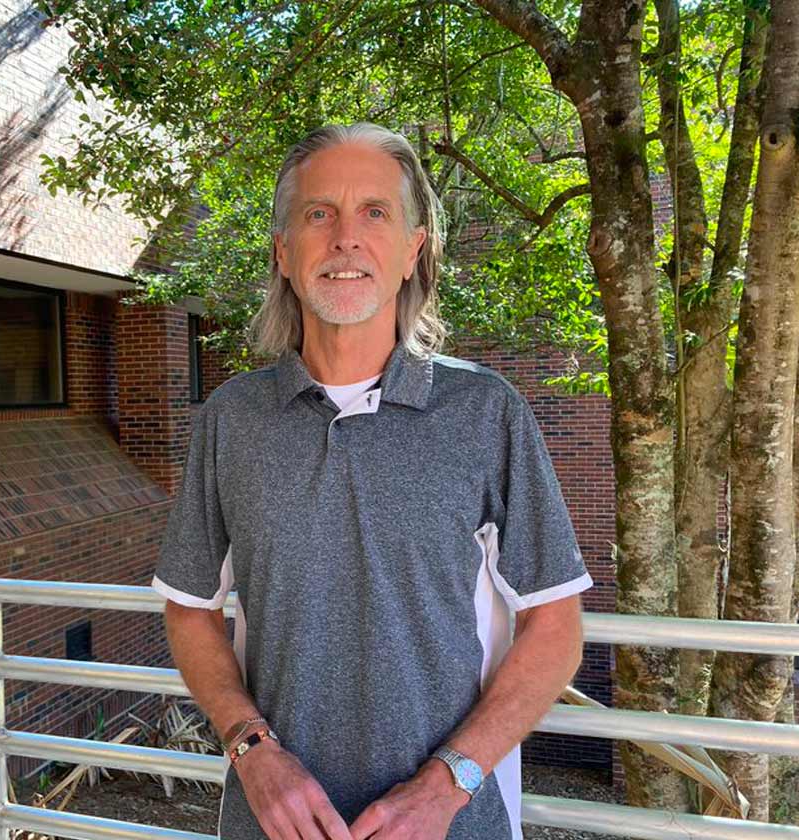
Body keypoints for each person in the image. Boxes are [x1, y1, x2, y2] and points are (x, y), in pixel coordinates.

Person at [152, 122, 592, 840]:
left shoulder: (484, 413)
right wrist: (251, 750)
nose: (344, 239)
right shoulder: (231, 420)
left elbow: (555, 629)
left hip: (452, 826)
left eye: (375, 213)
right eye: (318, 213)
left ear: (413, 249)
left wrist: (447, 785)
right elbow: (190, 609)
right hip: (270, 823)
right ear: (284, 252)